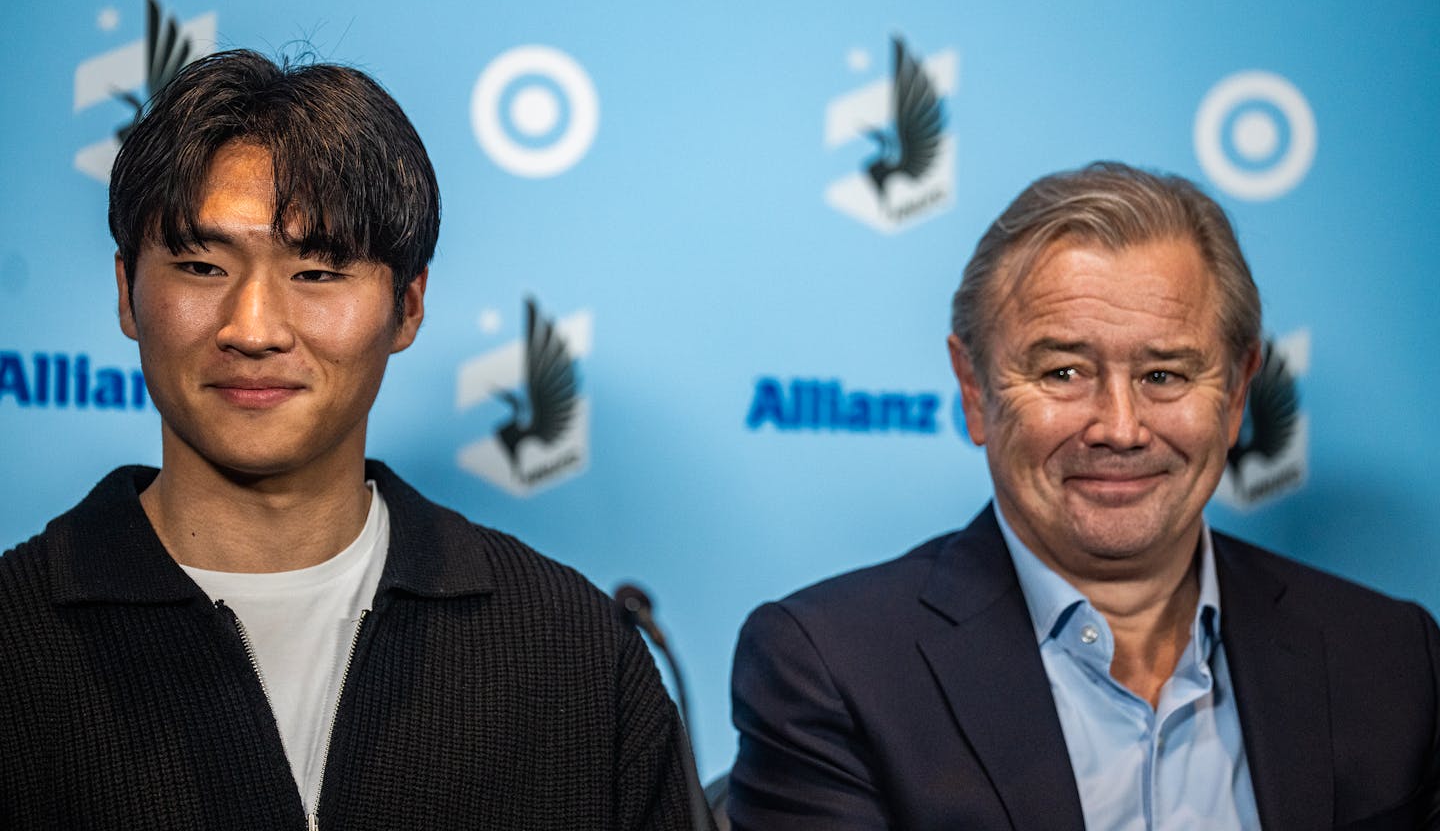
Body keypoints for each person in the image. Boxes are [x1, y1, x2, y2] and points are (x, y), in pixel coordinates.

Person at [0, 49, 699, 830]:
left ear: (407, 307)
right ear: (127, 293)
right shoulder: (15, 636)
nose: (252, 328)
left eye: (318, 273)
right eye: (200, 266)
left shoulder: (576, 654)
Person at [728, 162, 1440, 830]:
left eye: (1164, 375)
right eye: (1065, 372)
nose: (1121, 429)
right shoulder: (834, 669)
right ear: (975, 391)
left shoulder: (1393, 660)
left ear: (1235, 395)